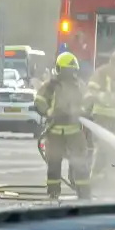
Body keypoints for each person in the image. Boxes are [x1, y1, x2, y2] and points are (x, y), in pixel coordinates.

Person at [35, 52, 92, 201]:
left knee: (80, 163)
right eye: (67, 71)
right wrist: (49, 112)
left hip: (74, 131)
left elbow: (87, 100)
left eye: (71, 71)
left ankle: (83, 192)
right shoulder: (50, 86)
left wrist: (83, 111)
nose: (69, 75)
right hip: (54, 131)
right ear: (60, 70)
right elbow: (39, 101)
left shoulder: (79, 85)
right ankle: (53, 192)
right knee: (54, 163)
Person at [87, 48, 115, 133]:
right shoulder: (102, 71)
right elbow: (91, 88)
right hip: (102, 117)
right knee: (102, 143)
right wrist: (103, 96)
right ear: (114, 60)